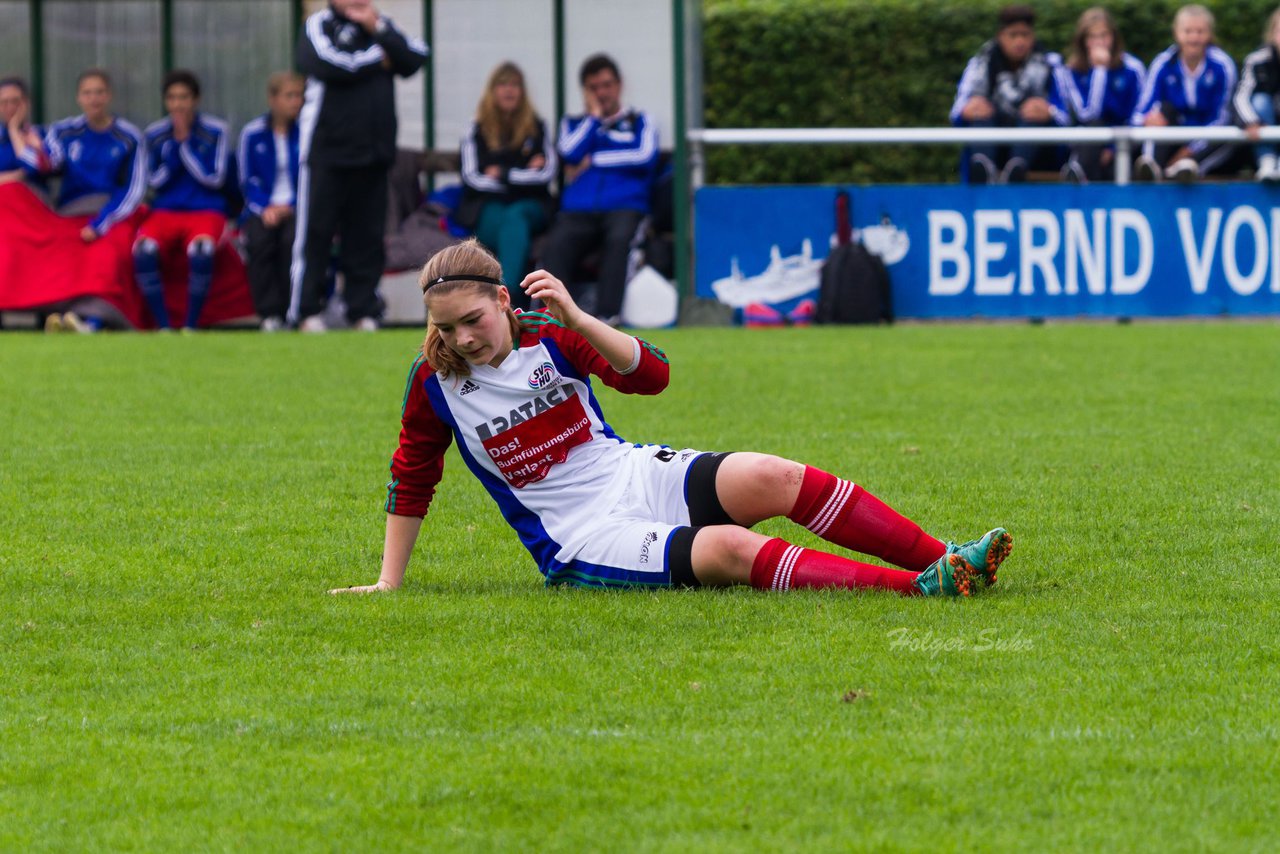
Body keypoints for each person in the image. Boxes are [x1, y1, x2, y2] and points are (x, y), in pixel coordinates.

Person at [330, 240, 1014, 597]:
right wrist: (391, 582)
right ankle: (920, 589)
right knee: (728, 550)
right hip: (579, 534)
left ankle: (947, 559)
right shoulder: (434, 381)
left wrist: (578, 317)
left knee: (774, 475)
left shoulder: (552, 332)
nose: (464, 339)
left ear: (504, 300)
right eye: (447, 329)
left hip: (630, 472)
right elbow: (411, 475)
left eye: (473, 321)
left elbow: (652, 377)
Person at [290, 0, 428, 333]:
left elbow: (416, 56)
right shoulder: (318, 25)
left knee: (366, 237)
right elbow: (326, 64)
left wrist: (378, 30)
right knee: (316, 233)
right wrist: (378, 57)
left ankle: (362, 310)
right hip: (327, 152)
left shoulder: (380, 25)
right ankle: (306, 311)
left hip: (374, 154)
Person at [538, 53, 658, 326]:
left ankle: (608, 317)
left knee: (619, 240)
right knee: (556, 244)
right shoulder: (574, 123)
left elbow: (644, 156)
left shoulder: (641, 120)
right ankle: (548, 319)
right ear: (586, 91)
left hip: (626, 206)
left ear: (619, 84)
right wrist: (593, 118)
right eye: (594, 87)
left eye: (607, 85)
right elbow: (567, 152)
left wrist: (594, 161)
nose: (602, 92)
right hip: (578, 209)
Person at [38, 68, 148, 332]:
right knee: (59, 252)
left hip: (113, 213)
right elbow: (47, 162)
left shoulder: (129, 137)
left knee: (107, 254)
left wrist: (101, 223)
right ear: (79, 98)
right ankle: (63, 316)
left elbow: (134, 190)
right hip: (72, 213)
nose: (94, 99)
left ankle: (94, 321)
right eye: (87, 93)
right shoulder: (64, 132)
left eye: (99, 92)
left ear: (109, 96)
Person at [135, 69, 232, 331]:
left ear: (196, 100)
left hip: (205, 209)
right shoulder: (154, 134)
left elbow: (215, 178)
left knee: (202, 252)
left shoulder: (216, 131)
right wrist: (172, 154)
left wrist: (186, 147)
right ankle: (164, 326)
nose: (178, 104)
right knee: (143, 251)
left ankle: (191, 326)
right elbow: (152, 182)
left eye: (184, 97)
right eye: (172, 98)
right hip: (165, 211)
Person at [459, 62, 556, 310]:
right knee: (507, 221)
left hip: (530, 207)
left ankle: (504, 297)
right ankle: (512, 300)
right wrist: (523, 173)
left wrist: (500, 173)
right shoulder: (476, 128)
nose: (509, 91)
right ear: (492, 91)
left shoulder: (537, 126)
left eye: (515, 85)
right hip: (488, 209)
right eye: (503, 84)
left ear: (523, 91)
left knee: (515, 217)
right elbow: (472, 178)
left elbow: (546, 174)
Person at [951, 4, 1062, 184]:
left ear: (1032, 36)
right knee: (981, 114)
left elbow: (1068, 116)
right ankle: (984, 172)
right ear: (1000, 36)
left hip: (1040, 153)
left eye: (1025, 35)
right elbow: (956, 113)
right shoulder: (980, 63)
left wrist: (1049, 112)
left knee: (1032, 114)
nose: (1019, 42)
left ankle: (1016, 172)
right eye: (1013, 35)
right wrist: (969, 109)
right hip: (993, 141)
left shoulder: (1050, 64)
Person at [1133, 5, 1237, 183]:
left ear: (1209, 34)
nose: (1194, 38)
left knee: (1229, 131)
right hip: (1172, 139)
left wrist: (1191, 149)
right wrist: (1148, 119)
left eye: (1200, 31)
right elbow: (1140, 111)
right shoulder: (1163, 63)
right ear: (1177, 33)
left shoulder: (1222, 66)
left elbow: (1223, 116)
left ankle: (1187, 168)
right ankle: (1152, 168)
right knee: (1162, 111)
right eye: (1188, 31)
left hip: (1206, 141)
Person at [238, 71, 304, 332]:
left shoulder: (307, 132)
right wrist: (265, 207)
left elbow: (312, 178)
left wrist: (292, 205)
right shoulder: (252, 133)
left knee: (293, 243)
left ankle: (294, 311)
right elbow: (246, 179)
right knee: (259, 241)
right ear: (273, 99)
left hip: (296, 207)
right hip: (262, 208)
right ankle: (269, 315)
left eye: (299, 96)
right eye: (290, 96)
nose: (296, 102)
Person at [1052, 8, 1147, 183]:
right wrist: (1100, 71)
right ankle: (1078, 183)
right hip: (1085, 143)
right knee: (1093, 130)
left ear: (1114, 38)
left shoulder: (1133, 69)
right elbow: (1088, 114)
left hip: (1124, 143)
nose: (1099, 43)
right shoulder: (1069, 72)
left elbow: (1140, 115)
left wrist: (1113, 148)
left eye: (1104, 36)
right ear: (1083, 41)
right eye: (1092, 37)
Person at [1234, 7, 1280, 182]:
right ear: (1273, 34)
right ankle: (1267, 161)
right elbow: (1240, 96)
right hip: (1263, 124)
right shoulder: (1257, 60)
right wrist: (1250, 121)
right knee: (1260, 101)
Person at [0, 77, 43, 185]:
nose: (9, 107)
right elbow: (24, 174)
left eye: (15, 101)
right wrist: (17, 176)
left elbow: (33, 168)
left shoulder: (41, 135)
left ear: (26, 104)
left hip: (31, 196)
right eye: (4, 102)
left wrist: (13, 130)